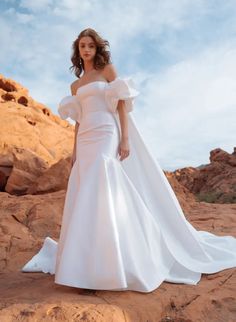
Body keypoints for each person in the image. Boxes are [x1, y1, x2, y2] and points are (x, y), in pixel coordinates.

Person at [21, 28, 236, 293]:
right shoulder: (75, 86)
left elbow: (121, 104)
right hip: (86, 135)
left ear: (97, 49)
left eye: (90, 46)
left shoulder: (107, 70)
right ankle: (86, 261)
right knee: (86, 188)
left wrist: (125, 139)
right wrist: (74, 149)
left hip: (107, 131)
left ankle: (116, 257)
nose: (86, 50)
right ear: (77, 52)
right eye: (82, 47)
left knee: (104, 179)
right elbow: (78, 120)